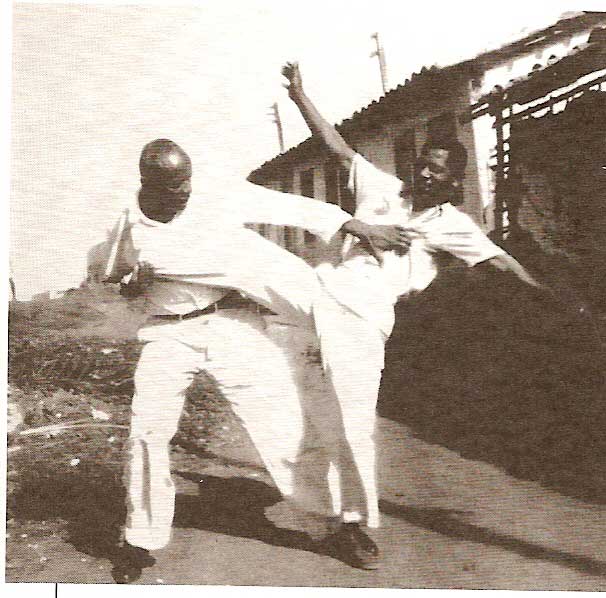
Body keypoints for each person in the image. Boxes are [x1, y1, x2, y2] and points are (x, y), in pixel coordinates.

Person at [100, 139, 411, 581]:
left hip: (231, 322)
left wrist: (351, 223)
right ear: (150, 184)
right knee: (146, 431)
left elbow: (283, 206)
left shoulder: (214, 194)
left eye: (188, 180)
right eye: (175, 186)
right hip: (167, 330)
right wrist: (134, 282)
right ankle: (140, 538)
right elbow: (111, 276)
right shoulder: (129, 223)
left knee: (282, 429)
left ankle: (334, 525)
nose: (186, 191)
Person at [281, 61, 551, 569]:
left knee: (352, 422)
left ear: (452, 182)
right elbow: (335, 146)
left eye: (437, 170)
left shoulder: (453, 225)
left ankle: (353, 524)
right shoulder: (380, 187)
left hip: (362, 320)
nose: (425, 172)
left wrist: (548, 295)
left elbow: (501, 262)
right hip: (314, 294)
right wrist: (300, 95)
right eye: (423, 162)